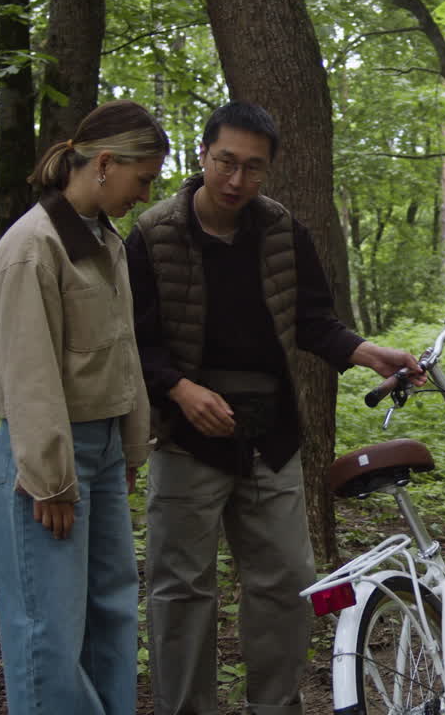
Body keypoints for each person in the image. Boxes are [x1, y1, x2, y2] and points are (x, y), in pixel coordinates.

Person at [127, 101, 421, 715]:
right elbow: (134, 340)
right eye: (226, 162)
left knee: (287, 581)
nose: (237, 180)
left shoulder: (284, 231)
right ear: (203, 154)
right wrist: (180, 389)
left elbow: (313, 320)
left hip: (271, 435)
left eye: (253, 168)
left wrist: (369, 353)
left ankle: (275, 706)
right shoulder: (152, 235)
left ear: (269, 170)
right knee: (181, 590)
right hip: (186, 436)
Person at [0, 100, 169, 714]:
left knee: (111, 616)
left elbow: (122, 350)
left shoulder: (103, 240)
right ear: (105, 163)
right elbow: (29, 374)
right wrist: (51, 479)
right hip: (51, 462)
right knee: (49, 631)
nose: (144, 195)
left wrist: (131, 447)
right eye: (142, 178)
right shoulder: (33, 247)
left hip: (105, 452)